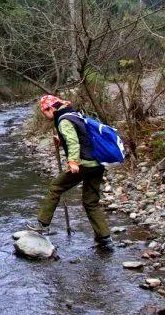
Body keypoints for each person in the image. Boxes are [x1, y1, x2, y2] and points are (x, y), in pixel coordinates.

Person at [32, 95, 112, 246]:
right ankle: (104, 238)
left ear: (50, 108)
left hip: (83, 164)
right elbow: (84, 137)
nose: (45, 116)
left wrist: (73, 162)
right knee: (91, 202)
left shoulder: (63, 120)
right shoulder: (74, 114)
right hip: (97, 164)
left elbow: (74, 142)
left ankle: (42, 225)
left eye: (45, 113)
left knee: (56, 187)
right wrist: (61, 140)